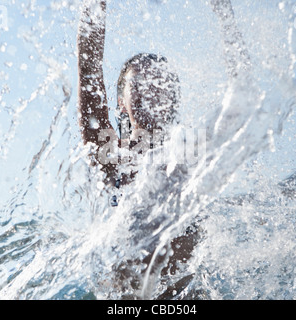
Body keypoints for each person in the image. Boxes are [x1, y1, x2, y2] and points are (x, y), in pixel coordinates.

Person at [77, 0, 198, 299]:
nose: (153, 88)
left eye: (162, 82)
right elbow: (89, 68)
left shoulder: (196, 155)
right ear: (121, 101)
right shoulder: (111, 157)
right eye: (140, 82)